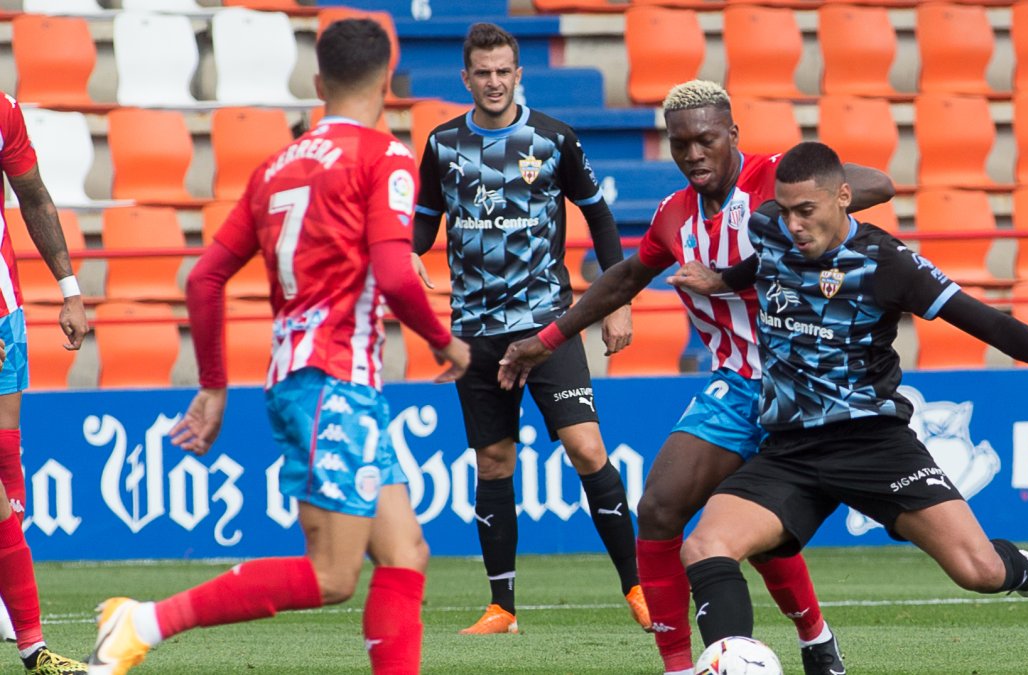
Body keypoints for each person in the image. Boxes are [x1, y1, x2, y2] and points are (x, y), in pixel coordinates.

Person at [86, 19, 470, 675]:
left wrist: (213, 386)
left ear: (318, 83)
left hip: (311, 379)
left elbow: (204, 277)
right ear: (387, 80)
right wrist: (443, 341)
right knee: (332, 575)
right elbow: (396, 271)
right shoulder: (385, 157)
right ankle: (143, 622)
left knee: (405, 550)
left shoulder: (275, 167)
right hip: (333, 383)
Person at [667, 141, 1028, 656]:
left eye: (806, 211)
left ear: (843, 197)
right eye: (785, 211)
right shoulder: (769, 227)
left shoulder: (888, 263)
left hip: (873, 443)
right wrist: (721, 280)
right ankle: (734, 661)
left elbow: (987, 322)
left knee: (979, 571)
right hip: (789, 449)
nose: (793, 225)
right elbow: (761, 264)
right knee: (705, 545)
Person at [498, 80, 895, 675]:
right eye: (680, 144)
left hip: (803, 388)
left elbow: (880, 185)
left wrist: (762, 244)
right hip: (736, 384)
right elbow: (625, 278)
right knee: (660, 509)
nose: (693, 154)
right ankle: (684, 667)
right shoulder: (675, 215)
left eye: (706, 140)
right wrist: (547, 340)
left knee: (756, 529)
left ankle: (816, 640)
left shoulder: (773, 180)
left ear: (733, 134)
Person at [411, 22, 645, 635]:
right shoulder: (442, 144)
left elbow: (599, 219)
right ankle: (503, 608)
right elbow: (425, 218)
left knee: (586, 448)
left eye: (503, 72)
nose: (494, 82)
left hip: (548, 326)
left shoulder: (553, 139)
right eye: (482, 73)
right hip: (475, 330)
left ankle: (639, 587)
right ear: (466, 78)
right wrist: (408, 251)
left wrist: (617, 301)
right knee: (493, 462)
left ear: (518, 75)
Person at [0, 90, 90, 675]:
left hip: (3, 310)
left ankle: (22, 629)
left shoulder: (3, 110)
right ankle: (30, 644)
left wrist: (69, 290)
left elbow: (33, 195)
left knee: (6, 451)